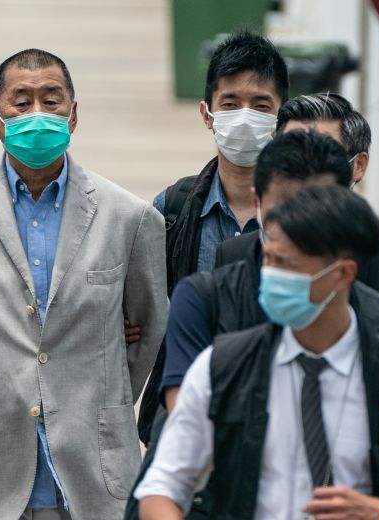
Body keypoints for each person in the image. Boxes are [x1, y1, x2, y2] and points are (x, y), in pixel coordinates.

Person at [0, 48, 168, 519]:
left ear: (73, 115)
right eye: (21, 102)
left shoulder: (129, 217)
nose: (37, 114)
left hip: (90, 472)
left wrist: (95, 388)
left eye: (52, 100)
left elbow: (147, 330)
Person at [136, 184, 379, 519]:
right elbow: (160, 490)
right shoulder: (222, 368)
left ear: (342, 274)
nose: (272, 277)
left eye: (288, 266)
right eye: (269, 260)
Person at [127, 29, 289, 520]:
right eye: (231, 102)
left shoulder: (303, 219)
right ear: (207, 113)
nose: (245, 117)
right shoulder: (170, 212)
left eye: (261, 105)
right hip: (181, 421)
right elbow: (139, 312)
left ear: (282, 116)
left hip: (282, 418)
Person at [217, 93, 379, 348]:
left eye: (324, 151)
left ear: (358, 165)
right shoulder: (235, 255)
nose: (305, 166)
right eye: (292, 151)